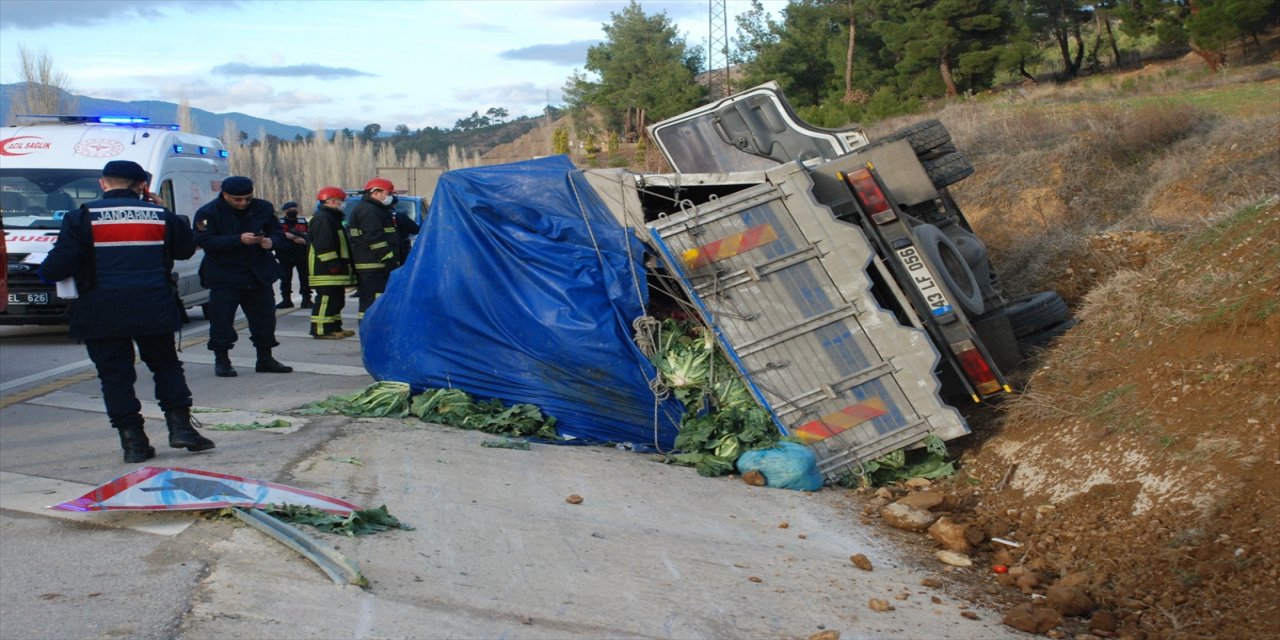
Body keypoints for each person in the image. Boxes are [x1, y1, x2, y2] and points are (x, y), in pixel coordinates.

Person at [36, 160, 214, 462]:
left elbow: (56, 268)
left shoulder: (82, 217)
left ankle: (134, 443)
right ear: (142, 186)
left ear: (104, 183)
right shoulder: (160, 216)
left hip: (101, 311)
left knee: (115, 377)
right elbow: (186, 250)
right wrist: (166, 211)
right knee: (166, 366)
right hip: (153, 307)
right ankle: (181, 428)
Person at [193, 176, 293, 377]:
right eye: (237, 199)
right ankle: (222, 360)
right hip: (225, 275)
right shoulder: (208, 213)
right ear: (225, 195)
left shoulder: (263, 208)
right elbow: (205, 241)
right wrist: (238, 240)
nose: (243, 203)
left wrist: (271, 242)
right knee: (222, 320)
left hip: (258, 273)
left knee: (264, 319)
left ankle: (265, 357)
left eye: (247, 199)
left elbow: (278, 232)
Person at [347, 177, 402, 320]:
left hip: (373, 262)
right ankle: (371, 327)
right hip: (374, 263)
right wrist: (388, 258)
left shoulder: (373, 209)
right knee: (373, 298)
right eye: (387, 193)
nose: (389, 197)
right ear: (376, 192)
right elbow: (374, 238)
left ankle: (370, 326)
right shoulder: (369, 211)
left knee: (371, 298)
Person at [308, 187, 357, 339]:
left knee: (336, 300)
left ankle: (334, 327)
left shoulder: (332, 217)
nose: (343, 204)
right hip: (326, 269)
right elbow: (324, 244)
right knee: (326, 300)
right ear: (332, 201)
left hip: (334, 269)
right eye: (342, 201)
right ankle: (321, 329)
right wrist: (332, 264)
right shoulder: (323, 218)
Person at [274, 200, 311, 309]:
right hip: (285, 254)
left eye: (295, 209)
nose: (293, 211)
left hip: (301, 254)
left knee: (305, 278)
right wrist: (286, 235)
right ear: (285, 211)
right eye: (290, 210)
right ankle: (286, 300)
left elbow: (309, 235)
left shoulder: (303, 222)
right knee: (285, 278)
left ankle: (306, 300)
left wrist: (304, 241)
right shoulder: (279, 223)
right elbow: (276, 235)